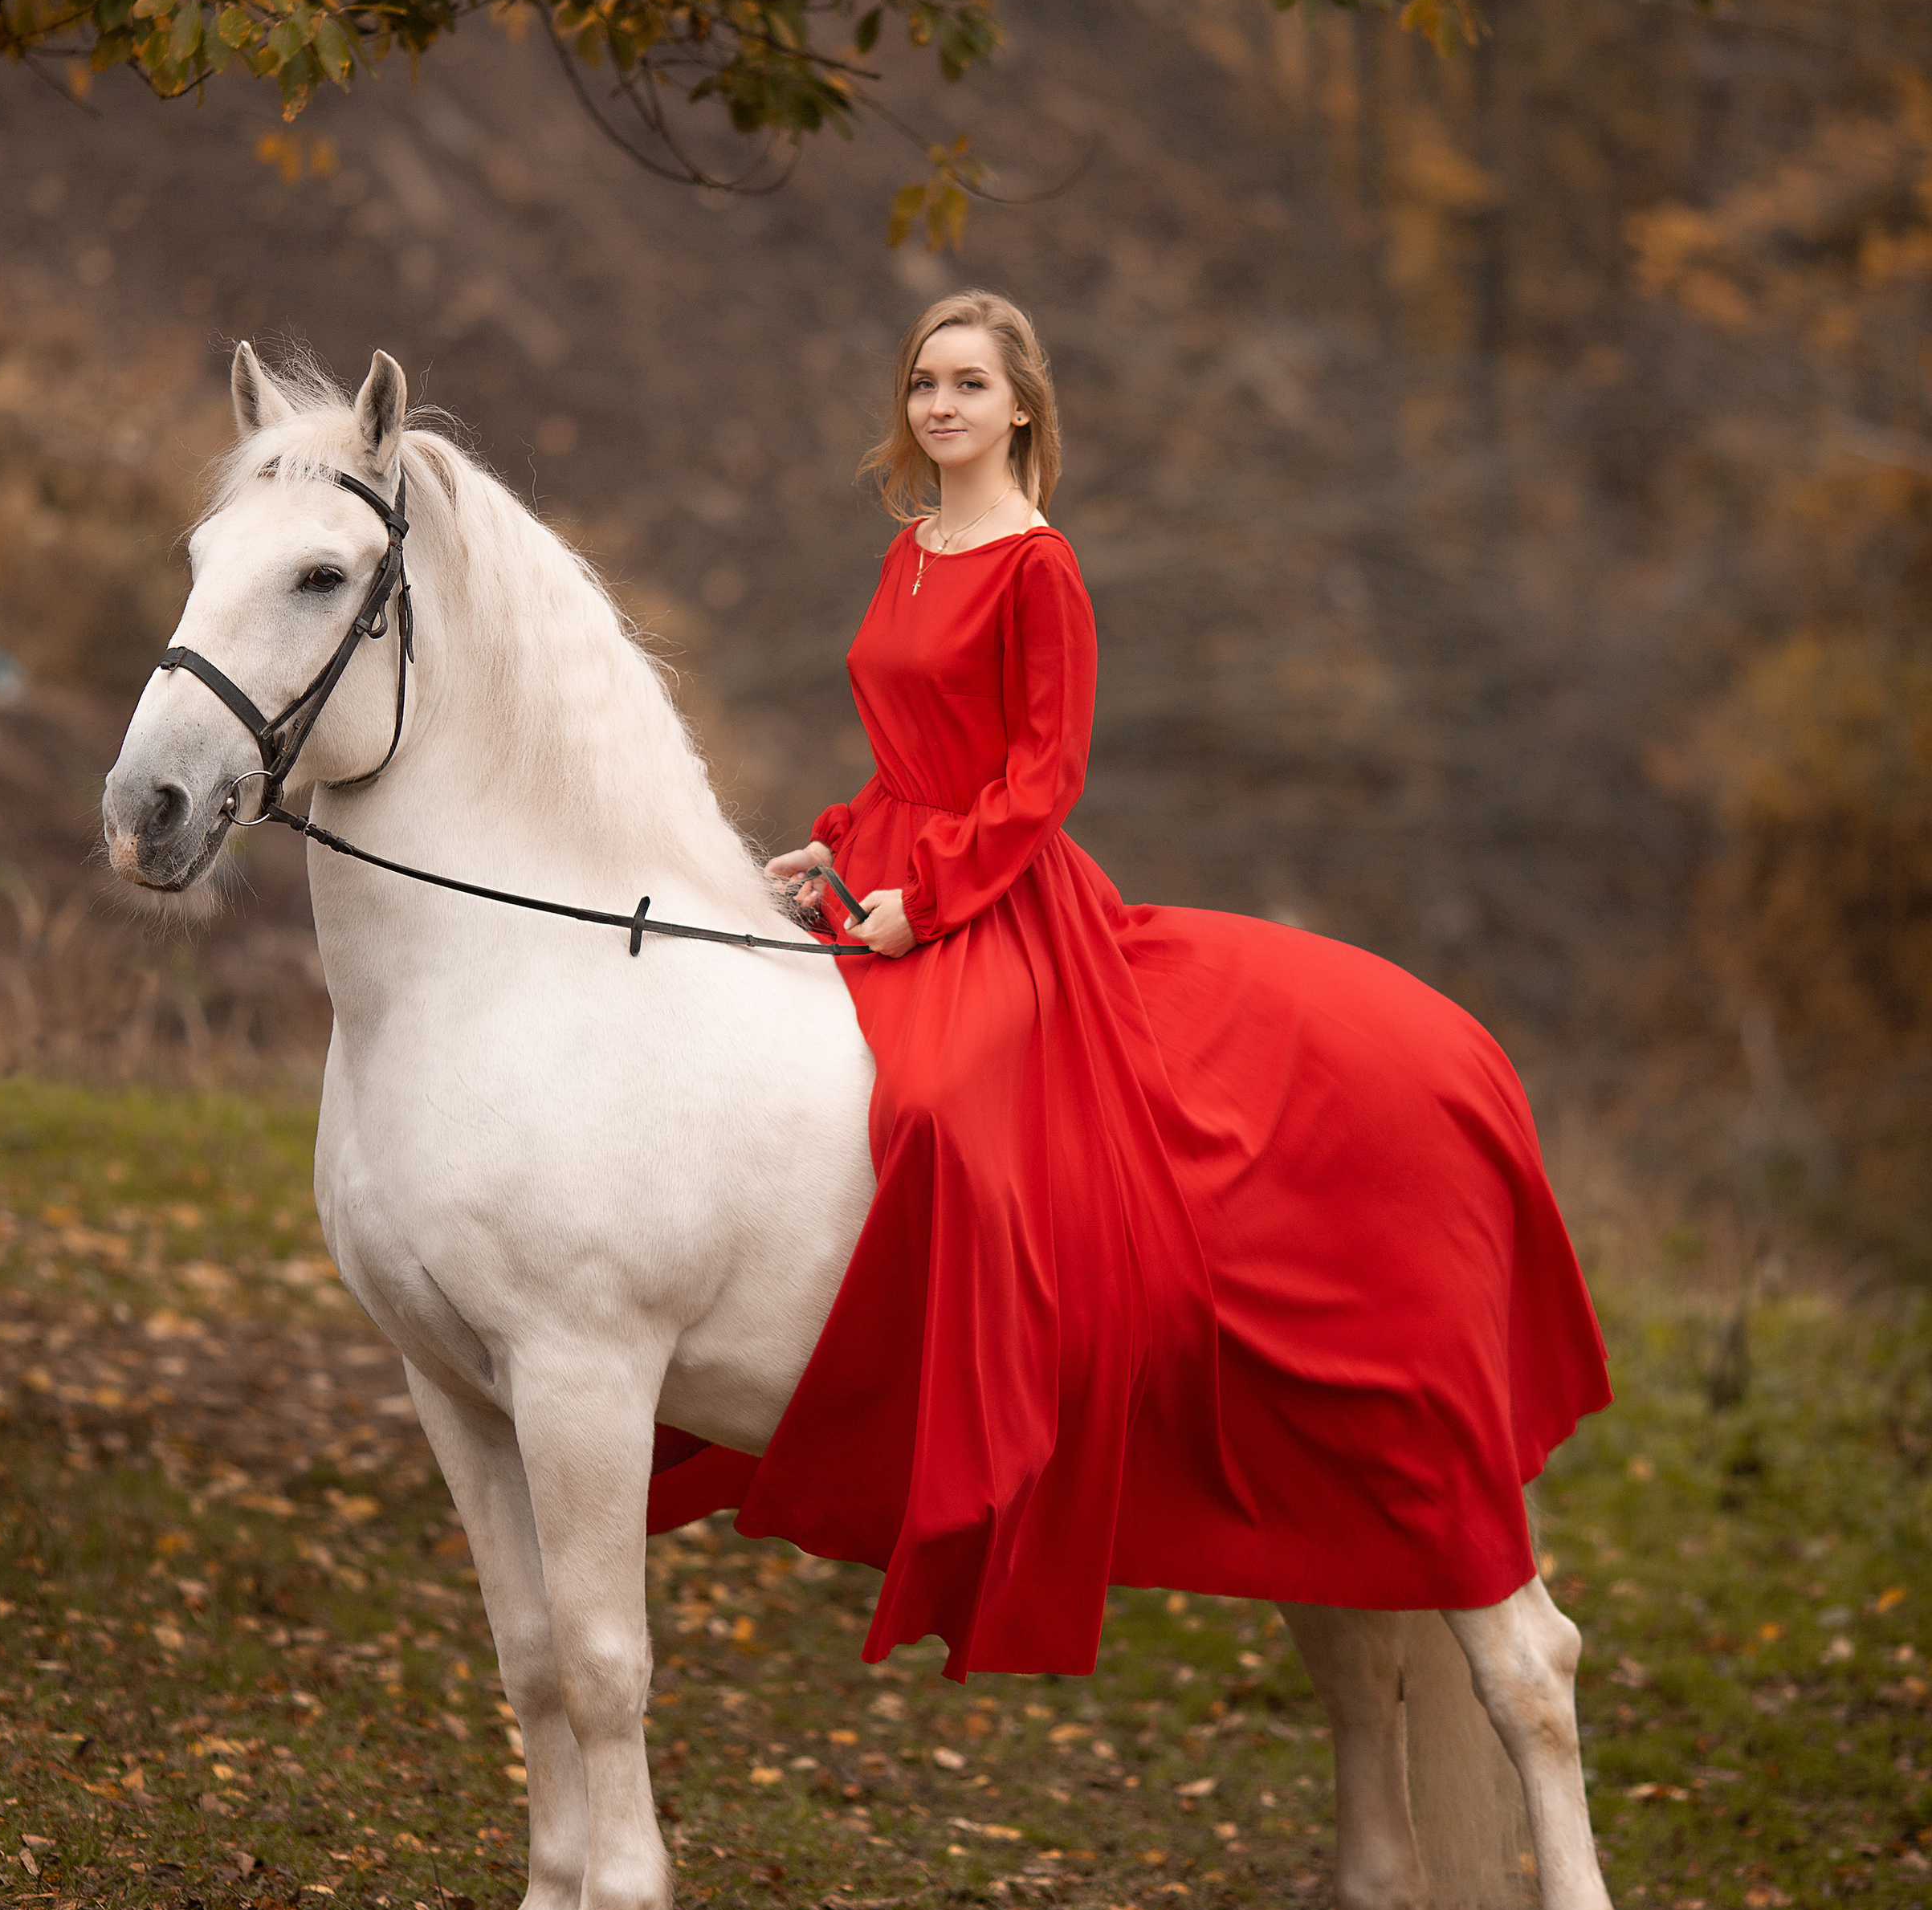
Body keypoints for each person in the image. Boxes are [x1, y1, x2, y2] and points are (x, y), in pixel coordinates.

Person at [649, 289, 1610, 1681]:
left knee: (938, 1109)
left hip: (994, 895)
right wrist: (843, 839)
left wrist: (938, 900)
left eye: (970, 385)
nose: (940, 407)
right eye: (925, 383)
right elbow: (906, 743)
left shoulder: (1040, 568)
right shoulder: (908, 548)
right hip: (888, 864)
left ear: (1020, 408)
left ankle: (999, 1409)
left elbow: (1041, 774)